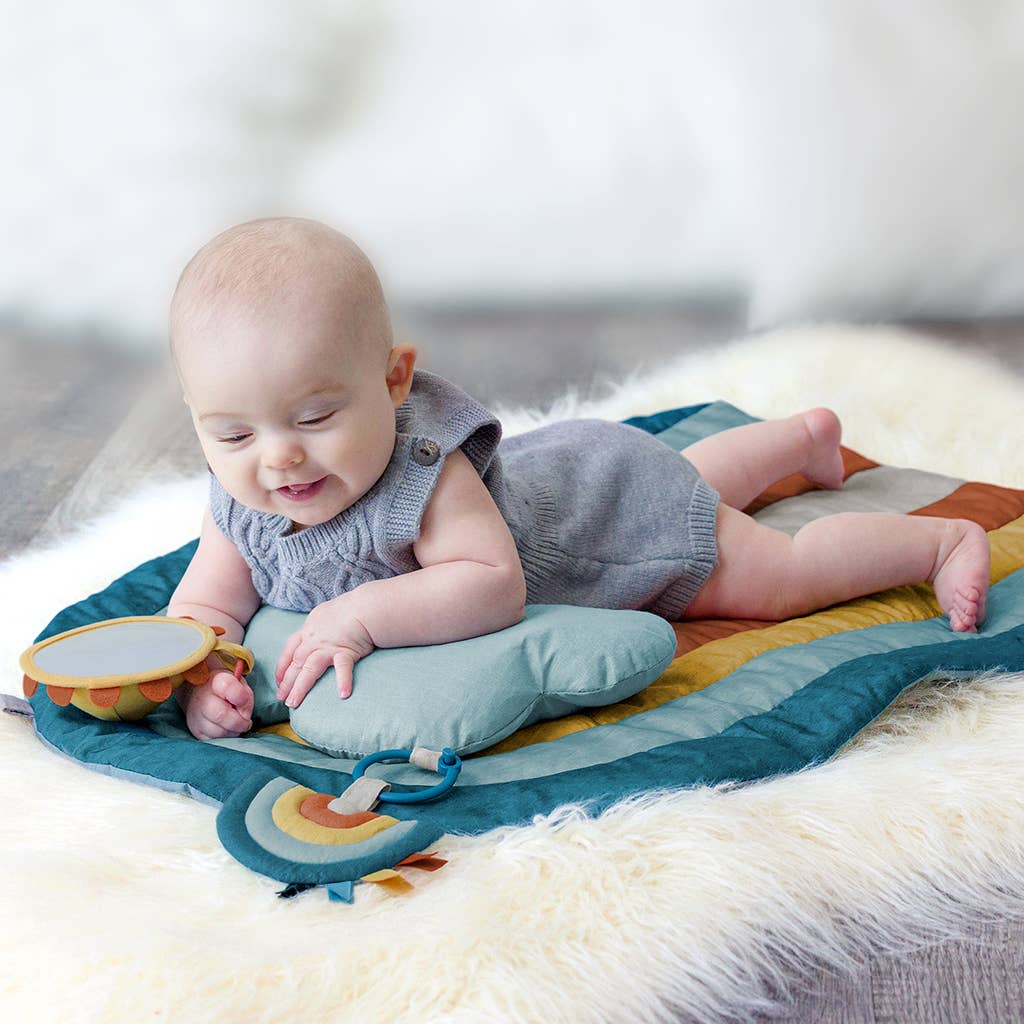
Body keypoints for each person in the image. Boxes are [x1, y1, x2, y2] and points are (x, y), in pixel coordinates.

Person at [166, 217, 991, 742]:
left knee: (770, 571)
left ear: (394, 380)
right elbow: (206, 607)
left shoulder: (425, 480)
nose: (277, 458)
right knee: (688, 482)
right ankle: (802, 440)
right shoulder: (242, 502)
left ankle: (935, 544)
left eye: (315, 418)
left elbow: (492, 587)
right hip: (582, 475)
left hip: (612, 529)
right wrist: (204, 682)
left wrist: (358, 616)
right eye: (233, 433)